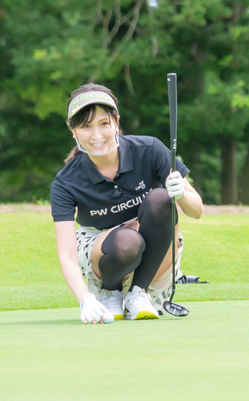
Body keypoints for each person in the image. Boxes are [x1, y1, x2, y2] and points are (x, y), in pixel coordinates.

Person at [50, 83, 203, 324]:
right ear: (73, 131)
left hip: (156, 253)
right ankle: (110, 293)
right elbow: (67, 254)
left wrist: (181, 193)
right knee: (127, 240)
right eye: (86, 126)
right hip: (102, 254)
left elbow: (197, 211)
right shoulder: (66, 181)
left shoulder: (150, 149)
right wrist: (84, 298)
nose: (96, 135)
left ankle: (137, 294)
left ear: (116, 122)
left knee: (162, 198)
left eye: (104, 124)